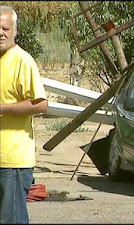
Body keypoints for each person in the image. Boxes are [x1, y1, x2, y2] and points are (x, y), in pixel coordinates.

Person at [0, 6, 48, 224]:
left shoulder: (23, 61)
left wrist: (3, 109)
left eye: (5, 28)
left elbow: (41, 105)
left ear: (15, 31)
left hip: (13, 162)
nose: (1, 33)